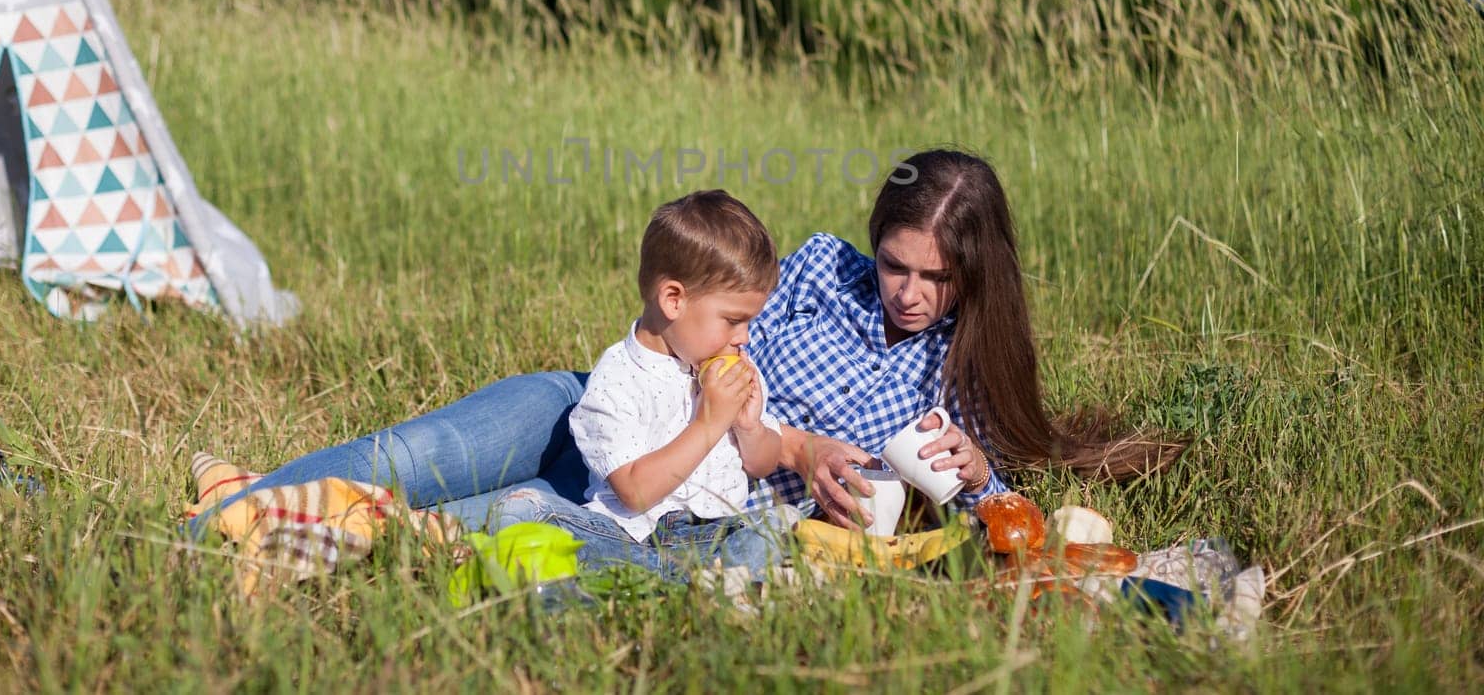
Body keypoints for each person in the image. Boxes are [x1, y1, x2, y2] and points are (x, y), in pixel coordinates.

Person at [189, 149, 1181, 538]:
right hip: (604, 411)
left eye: (935, 275)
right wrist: (784, 438)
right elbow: (710, 318)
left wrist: (974, 476)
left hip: (683, 503)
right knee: (412, 455)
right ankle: (229, 507)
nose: (910, 291)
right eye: (896, 264)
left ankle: (261, 523)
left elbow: (989, 511)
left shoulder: (956, 373)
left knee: (449, 519)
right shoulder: (821, 268)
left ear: (974, 272)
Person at [481, 190, 794, 578]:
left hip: (716, 533)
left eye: (749, 322)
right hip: (627, 536)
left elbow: (761, 465)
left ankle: (678, 577)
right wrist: (709, 423)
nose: (744, 337)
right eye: (733, 321)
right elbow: (634, 492)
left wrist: (749, 427)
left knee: (780, 524)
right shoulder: (617, 380)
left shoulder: (729, 371)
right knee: (520, 512)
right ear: (674, 300)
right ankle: (686, 577)